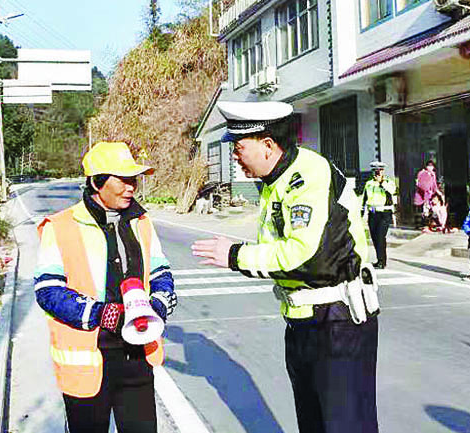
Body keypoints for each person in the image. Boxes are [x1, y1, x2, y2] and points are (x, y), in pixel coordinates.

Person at [191, 101, 380, 433]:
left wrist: (235, 255)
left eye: (239, 147)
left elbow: (304, 254)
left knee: (345, 425)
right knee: (313, 423)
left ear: (267, 145)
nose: (235, 156)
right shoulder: (274, 180)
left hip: (336, 322)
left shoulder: (308, 175)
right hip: (303, 322)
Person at [34, 141, 177, 433]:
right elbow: (48, 291)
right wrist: (103, 314)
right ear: (97, 183)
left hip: (138, 355)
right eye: (122, 179)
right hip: (88, 360)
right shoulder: (60, 226)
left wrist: (159, 305)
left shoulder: (141, 222)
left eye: (133, 179)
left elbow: (161, 272)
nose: (131, 187)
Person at [362, 161, 397, 269]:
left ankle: (382, 261)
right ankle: (379, 260)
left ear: (383, 171)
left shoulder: (388, 182)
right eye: (375, 171)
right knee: (375, 238)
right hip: (373, 213)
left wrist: (381, 182)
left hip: (384, 213)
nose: (377, 173)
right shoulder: (369, 183)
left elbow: (392, 191)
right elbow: (365, 198)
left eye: (380, 171)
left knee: (381, 237)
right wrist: (362, 212)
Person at [414, 160, 441, 227]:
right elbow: (420, 184)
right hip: (422, 196)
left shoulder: (433, 174)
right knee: (424, 210)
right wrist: (427, 190)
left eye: (432, 166)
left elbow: (434, 185)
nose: (430, 168)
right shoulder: (422, 173)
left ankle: (430, 223)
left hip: (429, 196)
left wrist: (438, 192)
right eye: (429, 166)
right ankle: (422, 224)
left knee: (431, 209)